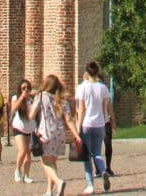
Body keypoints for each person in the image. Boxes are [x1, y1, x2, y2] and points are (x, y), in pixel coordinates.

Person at [31, 73, 79, 196]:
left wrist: (32, 128)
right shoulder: (62, 100)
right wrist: (77, 135)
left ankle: (58, 182)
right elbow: (69, 120)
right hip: (60, 134)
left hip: (46, 133)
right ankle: (50, 191)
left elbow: (31, 115)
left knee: (45, 162)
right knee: (52, 162)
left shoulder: (42, 97)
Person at [74, 62, 112, 194]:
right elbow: (104, 107)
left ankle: (90, 185)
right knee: (97, 153)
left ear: (87, 72)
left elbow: (81, 110)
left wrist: (78, 128)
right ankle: (103, 171)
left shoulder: (83, 88)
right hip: (100, 124)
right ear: (97, 72)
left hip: (87, 124)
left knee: (86, 156)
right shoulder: (103, 88)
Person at [10, 79, 37, 184]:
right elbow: (13, 109)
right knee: (23, 150)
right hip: (19, 128)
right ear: (20, 89)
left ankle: (26, 175)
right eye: (24, 88)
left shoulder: (32, 99)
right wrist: (22, 97)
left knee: (28, 154)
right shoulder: (16, 98)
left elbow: (35, 113)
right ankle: (17, 169)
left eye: (28, 88)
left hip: (30, 129)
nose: (26, 90)